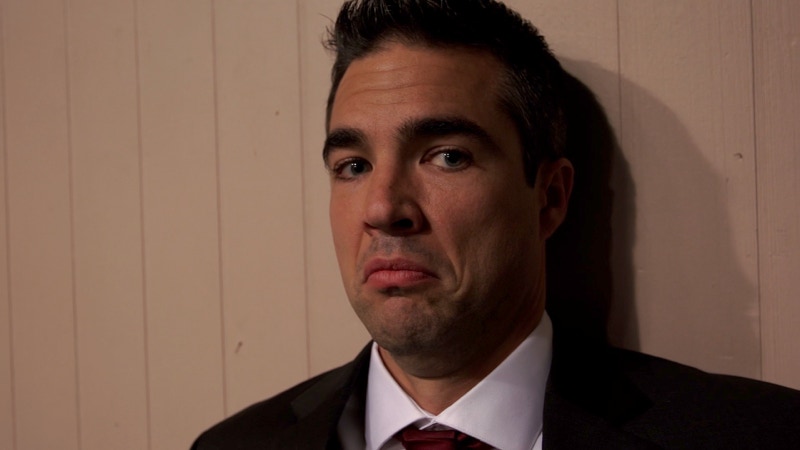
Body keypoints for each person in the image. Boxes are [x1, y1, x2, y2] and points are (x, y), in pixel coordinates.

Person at [192, 1, 800, 449]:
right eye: (353, 165)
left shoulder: (759, 437)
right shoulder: (232, 446)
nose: (382, 209)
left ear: (549, 198)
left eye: (447, 156)